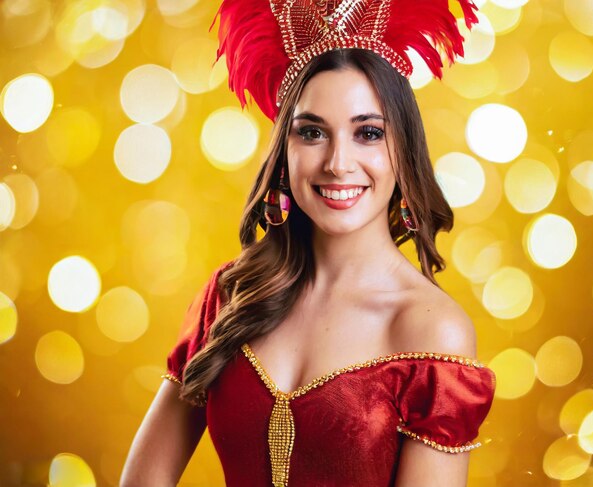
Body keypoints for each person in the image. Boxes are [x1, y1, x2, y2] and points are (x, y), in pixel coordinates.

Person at [121, 1, 496, 486]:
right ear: (285, 151)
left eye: (368, 133)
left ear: (403, 149)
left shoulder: (431, 332)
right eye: (313, 132)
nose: (338, 162)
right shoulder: (230, 296)